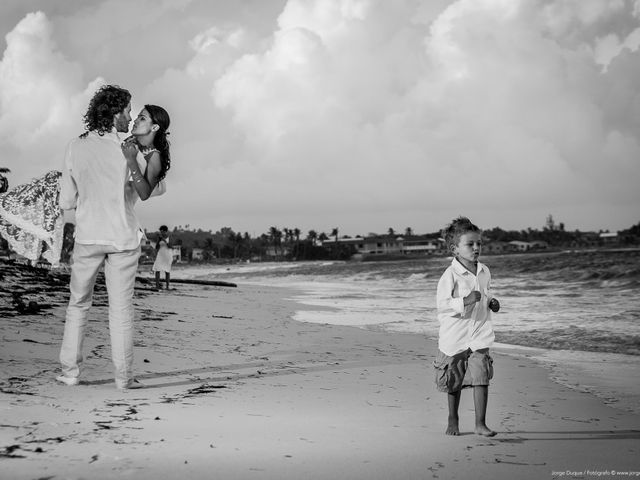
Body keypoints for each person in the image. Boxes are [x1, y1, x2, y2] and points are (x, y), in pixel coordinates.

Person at [56, 85, 171, 390]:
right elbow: (156, 188)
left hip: (88, 237)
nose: (131, 116)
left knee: (78, 303)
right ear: (115, 112)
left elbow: (66, 201)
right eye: (128, 110)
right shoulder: (129, 147)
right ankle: (123, 378)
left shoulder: (74, 146)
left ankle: (70, 372)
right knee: (121, 309)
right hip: (122, 238)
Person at [433, 216, 500, 437]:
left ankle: (480, 424)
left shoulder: (485, 271)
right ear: (455, 248)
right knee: (454, 381)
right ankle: (453, 418)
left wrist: (491, 301)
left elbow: (487, 293)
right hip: (455, 338)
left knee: (481, 376)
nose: (476, 248)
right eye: (470, 244)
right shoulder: (449, 275)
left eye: (478, 243)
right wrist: (466, 300)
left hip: (480, 334)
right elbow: (442, 306)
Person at [152, 225, 173, 290]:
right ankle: (157, 286)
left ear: (166, 231)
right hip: (160, 254)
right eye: (160, 232)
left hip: (167, 255)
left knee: (167, 270)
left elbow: (170, 246)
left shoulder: (169, 237)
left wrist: (163, 239)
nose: (161, 233)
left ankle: (167, 286)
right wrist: (159, 239)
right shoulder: (160, 238)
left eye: (162, 232)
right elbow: (156, 247)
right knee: (157, 269)